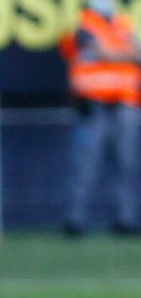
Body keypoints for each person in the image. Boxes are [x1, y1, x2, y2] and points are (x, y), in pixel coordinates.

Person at [59, 0, 140, 236]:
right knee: (84, 165)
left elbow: (137, 53)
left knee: (127, 164)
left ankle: (125, 219)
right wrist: (125, 54)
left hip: (125, 103)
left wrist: (118, 54)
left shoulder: (121, 23)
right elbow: (100, 51)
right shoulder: (83, 23)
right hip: (93, 105)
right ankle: (75, 220)